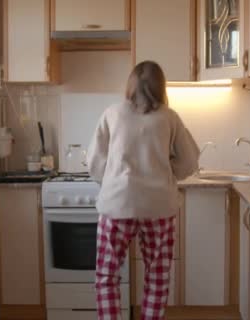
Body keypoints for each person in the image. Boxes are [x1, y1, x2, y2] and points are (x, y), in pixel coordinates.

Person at [87, 61, 200, 320]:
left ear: (130, 85)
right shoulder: (169, 117)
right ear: (161, 87)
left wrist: (112, 178)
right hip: (159, 207)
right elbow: (189, 161)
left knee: (107, 276)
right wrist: (168, 172)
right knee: (157, 276)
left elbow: (94, 163)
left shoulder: (111, 113)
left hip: (116, 205)